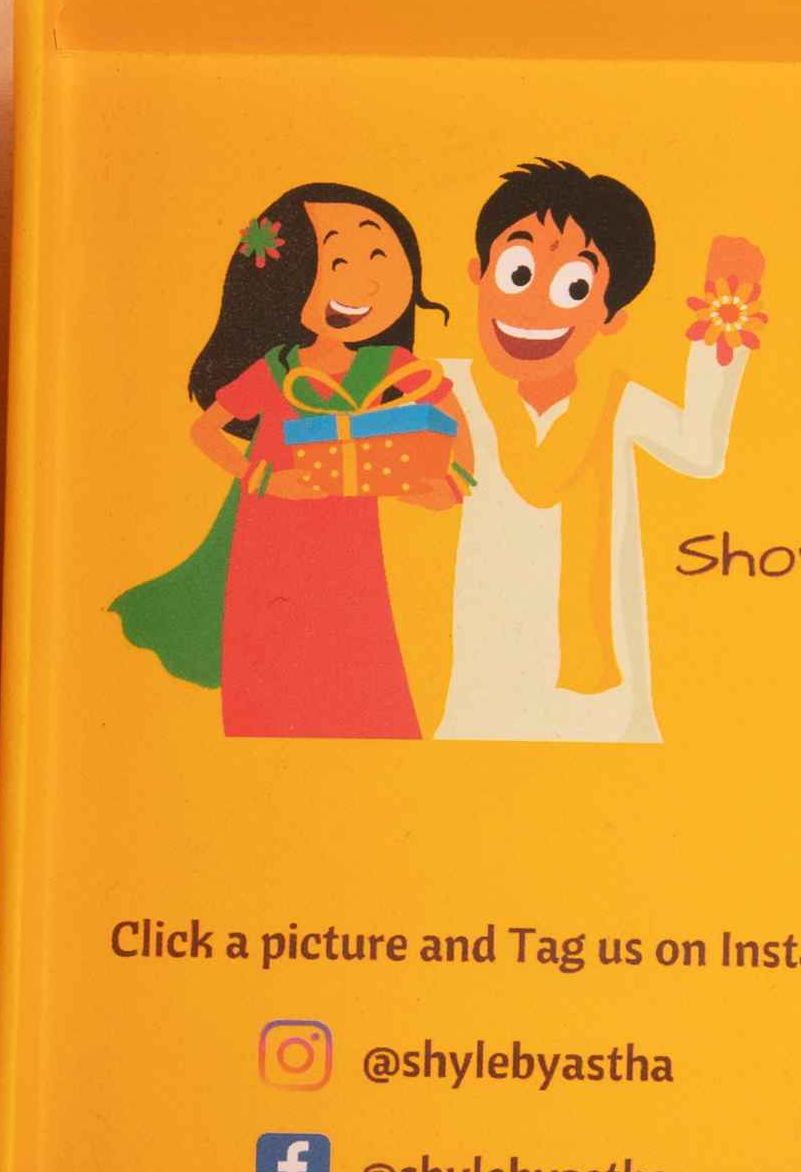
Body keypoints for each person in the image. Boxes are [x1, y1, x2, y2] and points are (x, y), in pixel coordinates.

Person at [111, 183, 466, 737]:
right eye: (338, 262)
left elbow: (449, 411)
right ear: (288, 279)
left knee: (354, 653)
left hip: (350, 539)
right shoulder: (277, 369)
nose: (365, 280)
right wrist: (263, 479)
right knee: (271, 652)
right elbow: (205, 431)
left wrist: (453, 481)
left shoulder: (392, 365)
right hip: (270, 533)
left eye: (378, 254)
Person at [431, 157, 764, 744]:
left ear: (610, 317)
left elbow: (700, 451)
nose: (534, 306)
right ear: (478, 273)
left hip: (595, 696)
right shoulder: (447, 387)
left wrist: (726, 315)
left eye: (573, 288)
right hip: (486, 676)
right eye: (517, 272)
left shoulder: (614, 401)